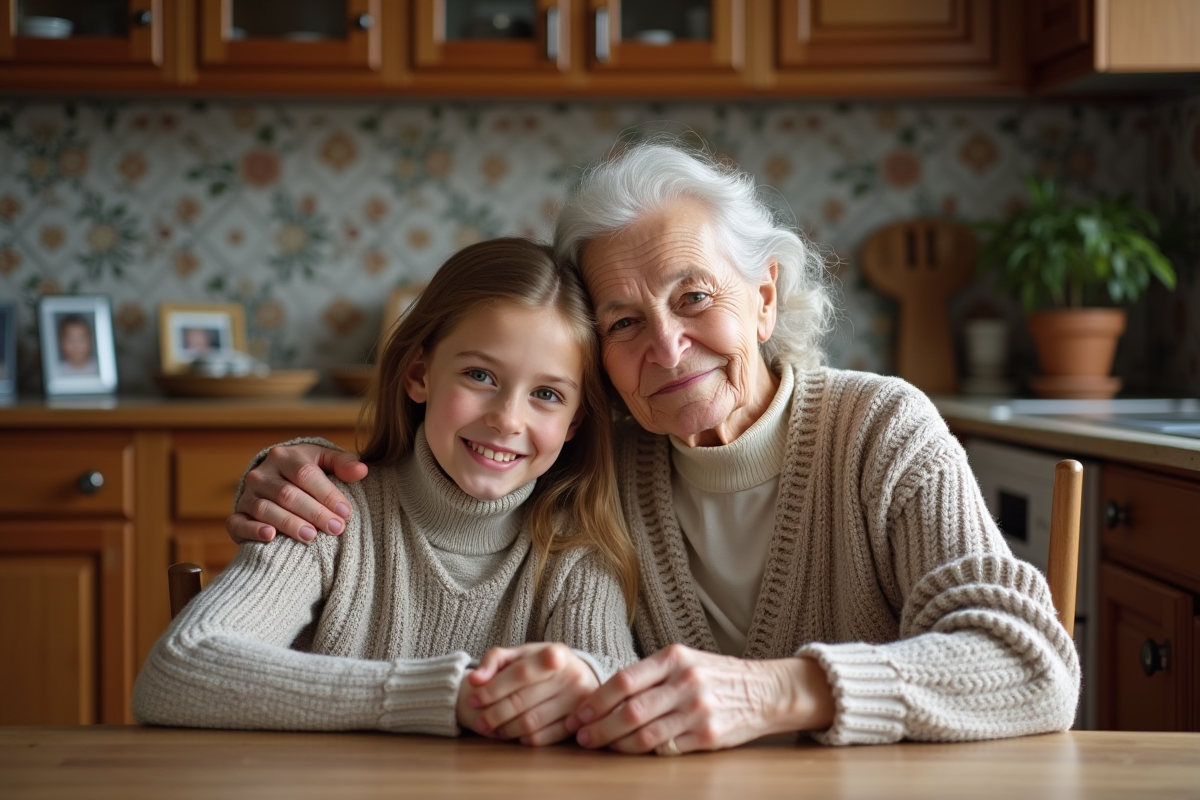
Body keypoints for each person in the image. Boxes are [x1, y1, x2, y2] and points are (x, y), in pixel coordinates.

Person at [226, 141, 1080, 753]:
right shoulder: (596, 460)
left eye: (694, 297)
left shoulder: (881, 429)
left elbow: (1031, 665)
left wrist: (780, 691)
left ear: (764, 298)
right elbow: (458, 466)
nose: (668, 349)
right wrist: (295, 464)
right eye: (625, 322)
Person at [134, 238, 639, 745]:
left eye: (546, 394)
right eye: (479, 375)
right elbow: (177, 669)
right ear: (420, 375)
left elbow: (616, 703)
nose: (507, 419)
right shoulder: (326, 510)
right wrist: (449, 695)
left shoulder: (576, 550)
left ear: (575, 421)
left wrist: (589, 680)